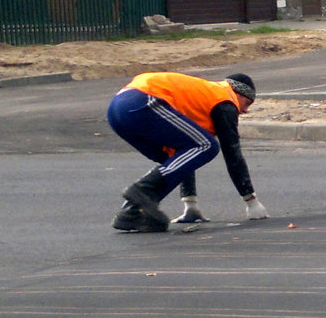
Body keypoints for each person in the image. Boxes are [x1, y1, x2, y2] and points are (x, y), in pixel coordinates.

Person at [106, 71, 269, 232]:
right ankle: (142, 190)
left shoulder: (203, 96)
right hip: (142, 100)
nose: (245, 111)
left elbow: (183, 156)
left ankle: (130, 214)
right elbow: (232, 154)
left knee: (177, 159)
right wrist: (251, 202)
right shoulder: (225, 101)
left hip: (117, 109)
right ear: (238, 93)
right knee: (207, 146)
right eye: (247, 103)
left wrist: (190, 204)